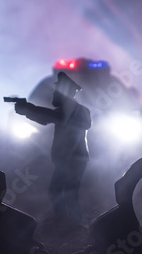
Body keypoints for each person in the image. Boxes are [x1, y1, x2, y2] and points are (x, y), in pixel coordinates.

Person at [14, 71, 91, 226]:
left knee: (65, 192)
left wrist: (27, 109)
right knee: (60, 191)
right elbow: (47, 117)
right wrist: (27, 109)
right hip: (68, 159)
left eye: (57, 91)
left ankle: (73, 223)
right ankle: (67, 221)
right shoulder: (69, 111)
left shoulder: (79, 112)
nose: (53, 94)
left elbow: (52, 117)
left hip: (74, 160)